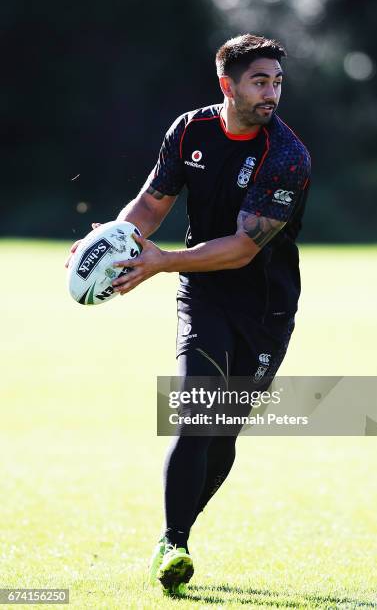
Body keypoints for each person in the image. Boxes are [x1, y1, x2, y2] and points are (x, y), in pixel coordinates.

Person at [66, 33, 311, 595]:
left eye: (276, 80)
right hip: (203, 293)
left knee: (224, 434)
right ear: (227, 85)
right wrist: (110, 242)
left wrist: (161, 262)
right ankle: (174, 543)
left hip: (266, 306)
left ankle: (173, 534)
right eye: (259, 81)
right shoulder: (189, 131)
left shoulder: (287, 155)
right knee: (197, 411)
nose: (271, 91)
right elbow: (152, 205)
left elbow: (244, 247)